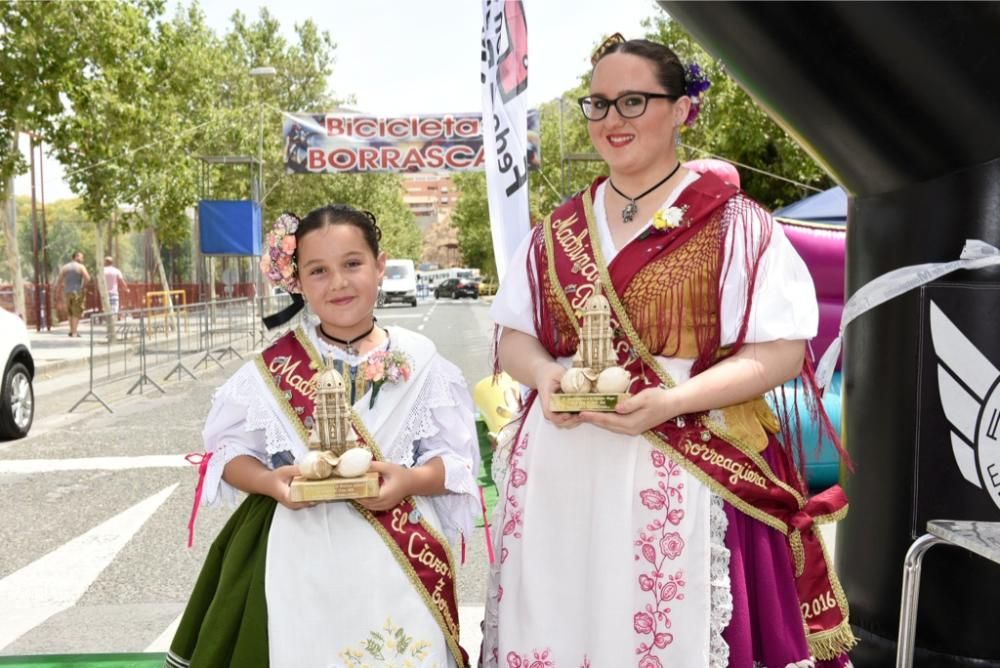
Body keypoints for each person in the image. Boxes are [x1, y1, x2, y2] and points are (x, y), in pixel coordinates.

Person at [482, 35, 854, 667]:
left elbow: (781, 353)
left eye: (633, 101)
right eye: (597, 105)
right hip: (562, 467)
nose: (611, 120)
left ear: (682, 109)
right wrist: (545, 374)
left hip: (685, 460)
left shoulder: (736, 223)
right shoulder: (556, 230)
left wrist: (671, 401)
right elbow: (515, 335)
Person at [168, 205, 480, 668]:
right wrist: (273, 483)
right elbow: (228, 453)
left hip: (397, 560)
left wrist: (409, 481)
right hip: (301, 557)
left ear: (379, 266)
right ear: (298, 281)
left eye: (352, 264)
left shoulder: (424, 362)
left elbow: (454, 460)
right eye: (318, 270)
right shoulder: (271, 368)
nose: (338, 282)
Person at [56, 251, 90, 337]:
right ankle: (74, 332)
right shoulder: (81, 267)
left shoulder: (65, 267)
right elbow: (87, 278)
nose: (82, 259)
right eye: (81, 257)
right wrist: (83, 287)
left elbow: (59, 280)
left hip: (67, 292)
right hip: (77, 292)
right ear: (76, 257)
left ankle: (71, 331)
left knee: (70, 312)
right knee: (76, 312)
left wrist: (58, 292)